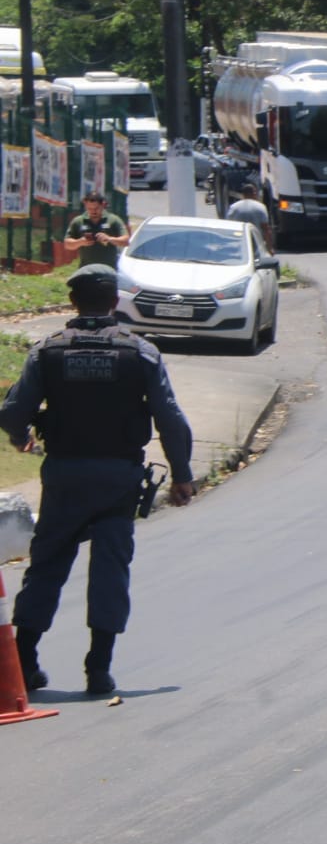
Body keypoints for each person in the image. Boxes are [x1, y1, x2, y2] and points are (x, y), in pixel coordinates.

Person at [0, 264, 196, 696]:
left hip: (65, 476)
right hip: (118, 480)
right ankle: (99, 668)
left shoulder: (47, 351)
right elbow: (170, 419)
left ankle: (25, 661)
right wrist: (182, 476)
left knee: (47, 565)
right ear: (114, 301)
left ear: (73, 301)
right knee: (110, 570)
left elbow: (12, 413)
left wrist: (21, 436)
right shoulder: (140, 352)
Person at [63, 190, 130, 267]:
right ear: (85, 206)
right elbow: (67, 244)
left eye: (96, 208)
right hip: (86, 269)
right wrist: (80, 242)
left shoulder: (113, 220)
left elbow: (126, 241)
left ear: (103, 205)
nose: (93, 211)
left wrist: (109, 239)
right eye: (89, 208)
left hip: (108, 268)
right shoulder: (78, 221)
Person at [225, 181, 274, 252]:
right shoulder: (260, 207)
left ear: (243, 194)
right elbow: (266, 229)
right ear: (254, 194)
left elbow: (228, 227)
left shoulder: (234, 207)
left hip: (239, 242)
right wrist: (270, 248)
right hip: (256, 243)